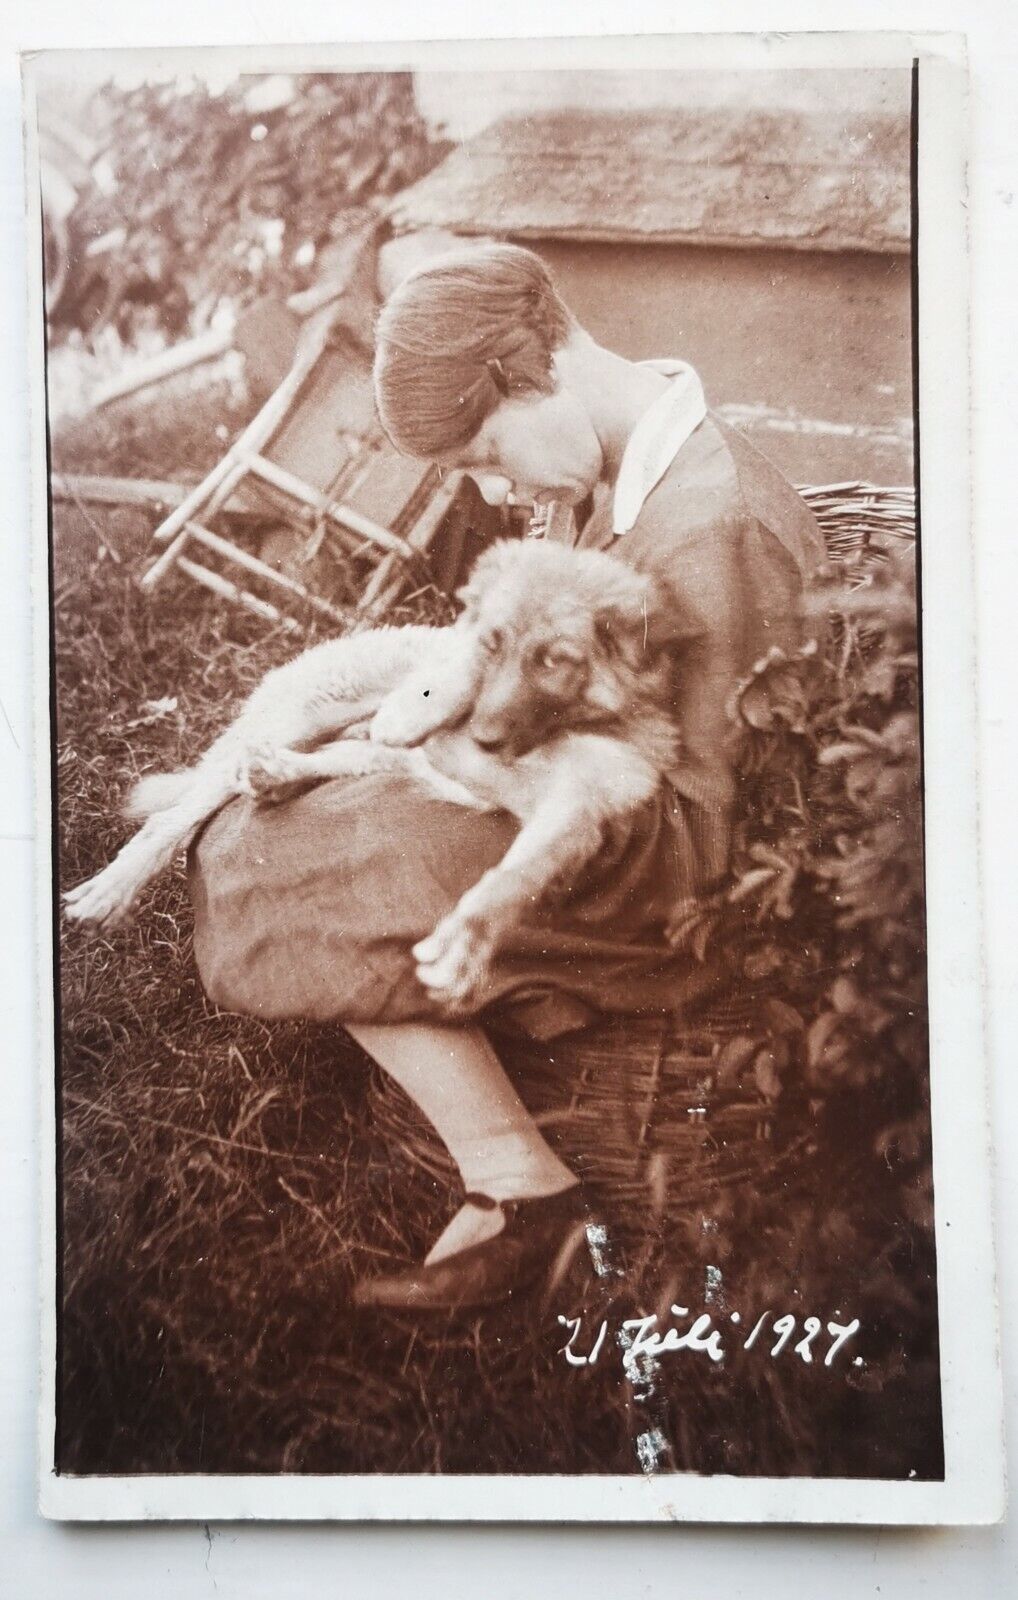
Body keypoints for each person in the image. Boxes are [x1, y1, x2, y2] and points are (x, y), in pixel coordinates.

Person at [187, 243, 828, 1311]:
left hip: (654, 876)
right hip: (571, 799)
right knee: (272, 817)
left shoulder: (711, 521)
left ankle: (520, 1190)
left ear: (535, 367)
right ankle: (522, 1183)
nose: (492, 486)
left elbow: (705, 828)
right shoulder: (622, 473)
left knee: (273, 851)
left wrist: (469, 784)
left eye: (485, 449)